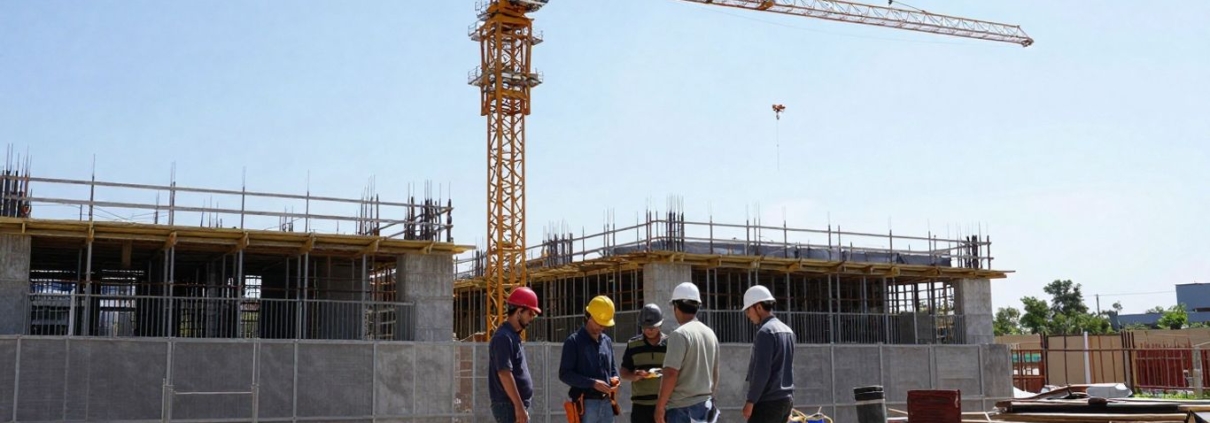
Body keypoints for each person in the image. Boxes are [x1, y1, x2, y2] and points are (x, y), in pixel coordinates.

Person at [655, 282, 719, 423]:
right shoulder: (710, 334)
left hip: (682, 409)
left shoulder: (679, 334)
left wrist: (660, 407)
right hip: (706, 406)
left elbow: (671, 373)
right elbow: (715, 374)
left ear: (676, 306)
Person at [559, 295, 621, 423]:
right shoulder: (574, 342)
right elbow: (565, 374)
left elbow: (613, 368)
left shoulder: (606, 342)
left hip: (607, 404)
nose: (602, 328)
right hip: (586, 405)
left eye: (605, 325)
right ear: (589, 317)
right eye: (600, 323)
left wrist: (615, 379)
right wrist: (593, 383)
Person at [740, 285, 795, 423]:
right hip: (785, 400)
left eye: (748, 310)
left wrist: (750, 401)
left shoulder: (765, 332)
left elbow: (762, 371)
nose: (748, 315)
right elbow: (788, 369)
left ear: (758, 307)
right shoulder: (788, 331)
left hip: (767, 403)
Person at [489, 287, 542, 423]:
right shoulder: (503, 337)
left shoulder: (513, 336)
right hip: (509, 406)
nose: (532, 318)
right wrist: (518, 406)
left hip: (513, 406)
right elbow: (504, 374)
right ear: (519, 312)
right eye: (530, 314)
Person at [621, 304, 668, 423]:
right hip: (640, 406)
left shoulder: (670, 344)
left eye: (653, 327)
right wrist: (634, 376)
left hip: (664, 405)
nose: (650, 330)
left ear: (660, 325)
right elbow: (624, 372)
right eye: (646, 327)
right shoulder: (633, 345)